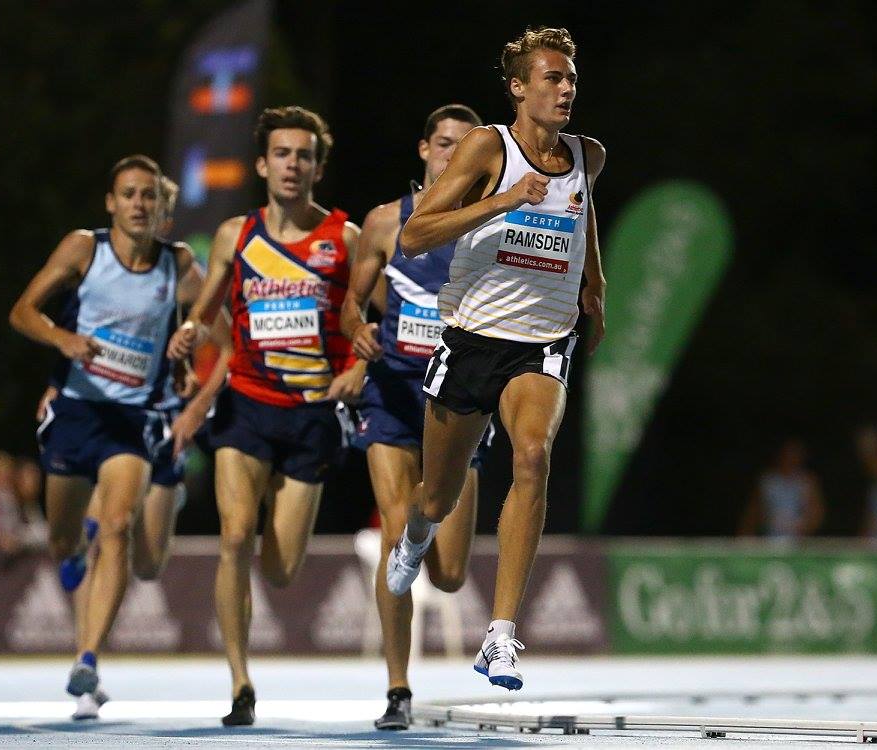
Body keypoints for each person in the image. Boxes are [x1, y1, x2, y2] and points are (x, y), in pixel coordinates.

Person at [384, 27, 606, 692]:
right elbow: (416, 233)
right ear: (517, 88)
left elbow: (582, 212)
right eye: (551, 79)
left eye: (570, 78)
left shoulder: (585, 156)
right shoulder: (488, 147)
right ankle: (415, 536)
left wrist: (595, 284)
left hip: (541, 341)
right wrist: (504, 199)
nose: (565, 89)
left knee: (532, 455)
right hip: (472, 339)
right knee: (436, 494)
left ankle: (500, 636)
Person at [168, 106, 364, 726]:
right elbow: (204, 308)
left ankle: (282, 501)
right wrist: (192, 331)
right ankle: (240, 683)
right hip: (247, 406)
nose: (292, 165)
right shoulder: (236, 234)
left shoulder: (344, 238)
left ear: (317, 168)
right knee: (232, 538)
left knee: (279, 570)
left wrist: (360, 356)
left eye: (304, 156)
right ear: (262, 164)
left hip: (310, 416)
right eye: (282, 154)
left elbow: (362, 312)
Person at [9, 155, 203, 702]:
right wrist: (61, 339)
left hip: (133, 419)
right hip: (76, 410)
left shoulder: (178, 263)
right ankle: (71, 555)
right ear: (111, 203)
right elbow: (22, 311)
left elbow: (215, 314)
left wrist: (188, 337)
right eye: (129, 194)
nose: (139, 204)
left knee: (117, 525)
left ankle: (88, 658)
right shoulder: (84, 249)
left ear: (162, 206)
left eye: (149, 195)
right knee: (63, 537)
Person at [340, 104, 495, 730]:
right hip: (394, 396)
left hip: (458, 403)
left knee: (453, 576)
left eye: (464, 149)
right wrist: (357, 336)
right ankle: (397, 689)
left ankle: (422, 537)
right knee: (394, 527)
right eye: (442, 145)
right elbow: (352, 307)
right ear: (423, 149)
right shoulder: (384, 222)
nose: (450, 157)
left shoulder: (489, 228)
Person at [738, 439, 824, 539]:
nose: (791, 458)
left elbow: (817, 515)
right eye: (788, 453)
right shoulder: (768, 480)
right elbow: (753, 513)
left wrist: (801, 527)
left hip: (798, 540)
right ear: (780, 454)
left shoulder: (807, 481)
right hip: (768, 539)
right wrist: (745, 536)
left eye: (795, 454)